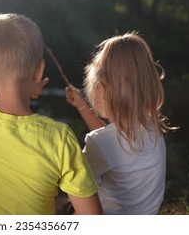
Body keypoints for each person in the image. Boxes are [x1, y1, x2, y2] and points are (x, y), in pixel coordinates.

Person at [0, 13, 102, 215]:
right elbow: (92, 217)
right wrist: (29, 88)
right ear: (39, 71)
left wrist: (25, 87)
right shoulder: (59, 138)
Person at [65, 32, 174, 214]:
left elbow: (76, 190)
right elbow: (114, 145)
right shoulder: (153, 127)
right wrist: (81, 105)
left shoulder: (101, 143)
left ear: (104, 88)